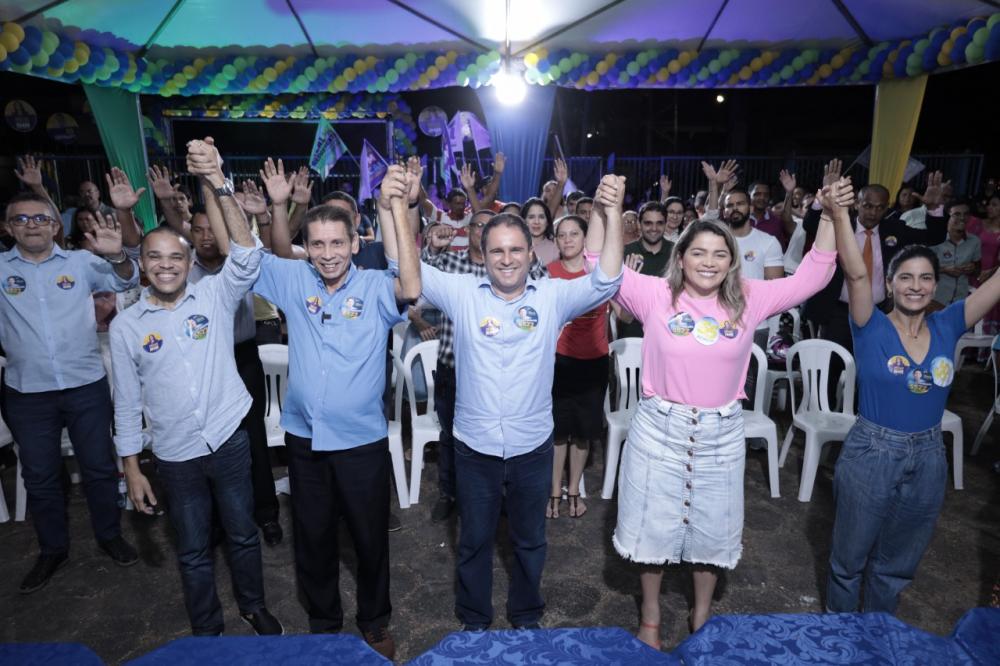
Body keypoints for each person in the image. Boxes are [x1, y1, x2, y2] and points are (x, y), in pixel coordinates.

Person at [586, 179, 845, 649]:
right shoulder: (653, 294)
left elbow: (813, 278)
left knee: (711, 529)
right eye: (698, 252)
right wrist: (607, 212)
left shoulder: (749, 297)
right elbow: (596, 270)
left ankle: (701, 612)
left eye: (719, 254)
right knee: (651, 526)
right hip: (659, 429)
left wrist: (826, 216)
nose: (708, 261)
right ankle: (649, 615)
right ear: (680, 256)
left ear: (731, 261)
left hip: (721, 432)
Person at [385, 175, 625, 631]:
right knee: (474, 539)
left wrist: (611, 213)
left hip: (533, 446)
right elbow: (403, 265)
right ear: (485, 252)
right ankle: (474, 618)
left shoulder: (552, 296)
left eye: (516, 250)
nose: (507, 258)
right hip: (474, 447)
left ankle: (526, 614)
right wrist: (397, 206)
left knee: (530, 540)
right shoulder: (461, 292)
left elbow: (607, 279)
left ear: (532, 253)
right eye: (498, 250)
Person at [112, 137, 283, 637]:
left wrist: (218, 182)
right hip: (176, 453)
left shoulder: (213, 296)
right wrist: (132, 469)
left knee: (242, 533)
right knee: (191, 548)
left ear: (189, 264)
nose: (166, 265)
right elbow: (125, 404)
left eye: (176, 258)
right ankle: (207, 629)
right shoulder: (127, 326)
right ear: (143, 265)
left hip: (227, 438)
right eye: (155, 257)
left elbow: (247, 259)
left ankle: (253, 606)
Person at [251, 164, 420, 659]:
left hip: (361, 441)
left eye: (337, 244)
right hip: (304, 441)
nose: (327, 254)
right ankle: (325, 622)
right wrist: (220, 187)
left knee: (370, 541)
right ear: (308, 245)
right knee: (313, 539)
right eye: (318, 244)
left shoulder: (372, 287)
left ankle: (374, 620)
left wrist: (399, 208)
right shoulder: (293, 280)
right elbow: (247, 253)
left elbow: (409, 285)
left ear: (353, 243)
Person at [825, 177, 1000, 615]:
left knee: (896, 566)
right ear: (892, 282)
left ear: (935, 284)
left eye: (926, 278)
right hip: (871, 453)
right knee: (848, 563)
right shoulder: (871, 324)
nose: (916, 286)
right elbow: (856, 271)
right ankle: (840, 641)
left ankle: (878, 636)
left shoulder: (949, 324)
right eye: (905, 277)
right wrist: (840, 214)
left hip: (927, 456)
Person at [1, 190, 140, 594]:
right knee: (40, 476)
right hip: (27, 393)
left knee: (98, 467)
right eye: (21, 219)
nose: (32, 225)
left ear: (54, 225)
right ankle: (52, 549)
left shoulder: (80, 263)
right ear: (9, 228)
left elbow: (125, 278)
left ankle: (110, 535)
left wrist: (116, 255)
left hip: (85, 385)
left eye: (40, 218)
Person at [419, 211, 549, 522]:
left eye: (488, 227)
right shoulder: (454, 264)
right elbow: (420, 279)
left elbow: (541, 280)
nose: (482, 230)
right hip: (453, 366)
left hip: (505, 373)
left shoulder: (513, 269)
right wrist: (434, 249)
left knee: (501, 442)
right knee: (453, 438)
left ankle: (500, 498)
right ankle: (450, 494)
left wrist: (523, 253)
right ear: (472, 231)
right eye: (478, 225)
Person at [186, 201, 282, 545]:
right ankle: (215, 522)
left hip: (243, 358)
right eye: (198, 229)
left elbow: (268, 250)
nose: (206, 236)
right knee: (209, 440)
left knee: (254, 437)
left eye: (212, 228)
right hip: (202, 363)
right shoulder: (183, 272)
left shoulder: (239, 268)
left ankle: (266, 514)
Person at [546, 214, 609, 519]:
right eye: (562, 235)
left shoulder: (598, 272)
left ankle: (574, 491)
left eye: (574, 234)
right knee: (558, 432)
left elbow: (623, 316)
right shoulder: (548, 273)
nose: (568, 239)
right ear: (556, 240)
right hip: (559, 362)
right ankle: (554, 492)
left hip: (594, 361)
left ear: (587, 239)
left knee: (583, 433)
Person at [617, 200, 677, 339]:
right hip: (633, 337)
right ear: (639, 224)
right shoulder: (624, 254)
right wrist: (630, 282)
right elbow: (625, 317)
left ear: (665, 223)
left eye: (659, 223)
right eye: (648, 223)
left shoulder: (677, 253)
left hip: (668, 335)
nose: (654, 228)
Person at [930, 200, 980, 308]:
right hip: (934, 300)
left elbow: (977, 271)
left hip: (960, 302)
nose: (962, 218)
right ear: (948, 216)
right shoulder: (935, 239)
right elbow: (922, 269)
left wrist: (973, 268)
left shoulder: (974, 241)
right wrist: (944, 269)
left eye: (966, 214)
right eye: (957, 214)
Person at [521, 197, 558, 265]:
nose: (537, 222)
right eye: (531, 217)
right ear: (524, 220)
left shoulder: (556, 251)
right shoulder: (514, 246)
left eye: (541, 217)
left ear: (547, 222)